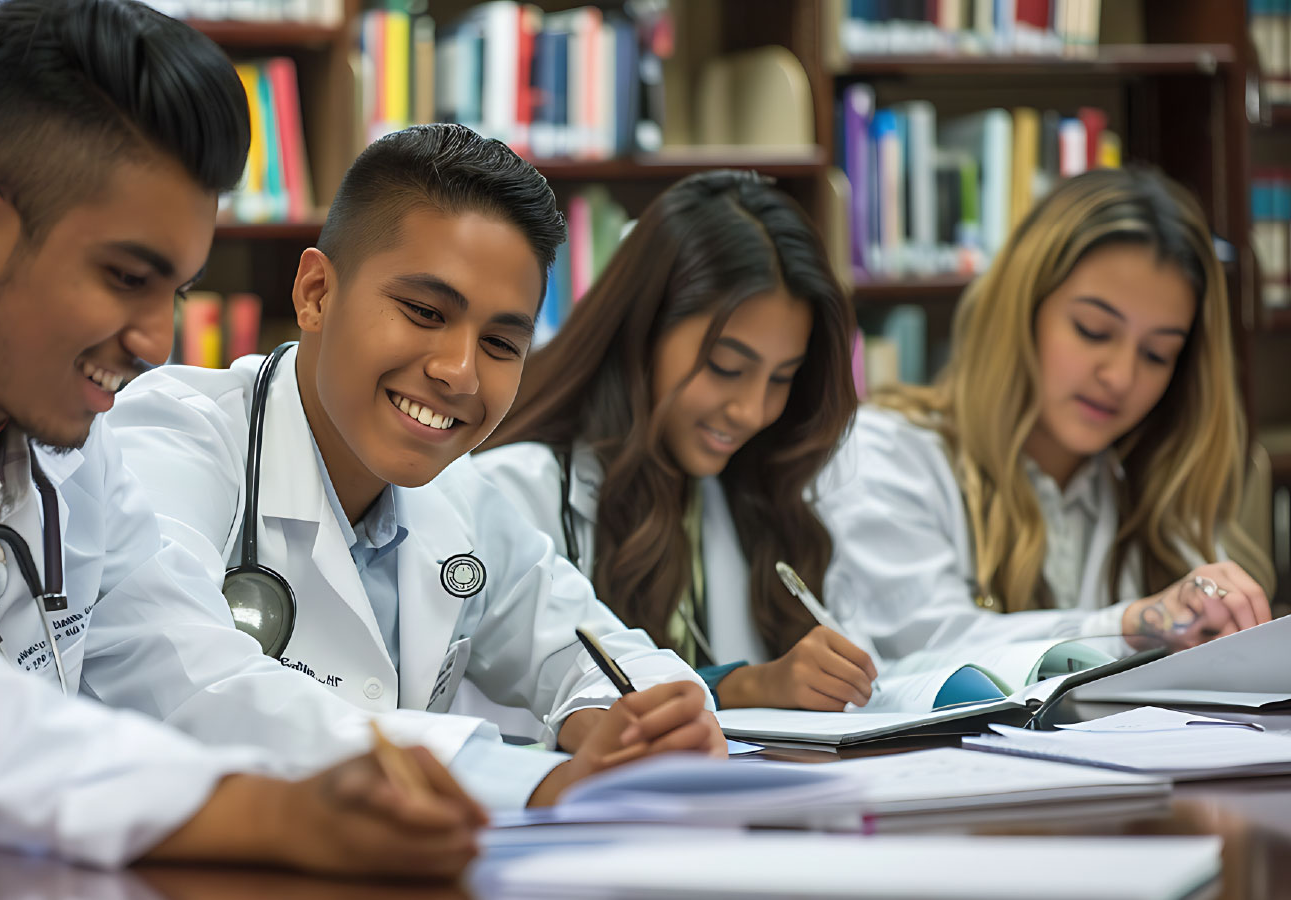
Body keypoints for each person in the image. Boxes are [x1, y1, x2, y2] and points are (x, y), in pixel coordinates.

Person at [0, 0, 490, 876]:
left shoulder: (68, 445)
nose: (155, 341)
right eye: (124, 278)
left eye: (176, 292)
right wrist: (268, 813)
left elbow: (200, 680)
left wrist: (504, 784)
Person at [107, 123, 725, 796]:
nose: (459, 373)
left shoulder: (464, 501)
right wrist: (529, 781)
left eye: (499, 343)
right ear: (315, 293)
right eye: (426, 312)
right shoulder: (173, 436)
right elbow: (194, 686)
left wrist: (638, 727)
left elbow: (605, 654)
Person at [815, 167, 1273, 662]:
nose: (1120, 377)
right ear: (1020, 310)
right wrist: (1130, 626)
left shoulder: (1157, 496)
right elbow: (920, 649)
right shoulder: (883, 453)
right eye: (1092, 330)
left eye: (1157, 355)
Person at [475, 170, 872, 712]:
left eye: (782, 378)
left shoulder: (761, 491)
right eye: (727, 367)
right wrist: (739, 688)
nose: (753, 411)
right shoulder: (518, 492)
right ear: (643, 330)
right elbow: (527, 716)